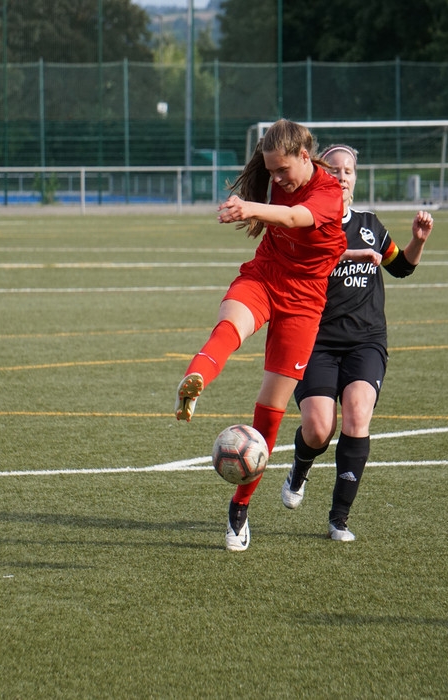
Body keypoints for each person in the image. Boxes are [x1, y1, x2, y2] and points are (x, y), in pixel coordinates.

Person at [173, 119, 378, 552]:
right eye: (271, 171)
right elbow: (289, 213)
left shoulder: (326, 191)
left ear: (305, 157)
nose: (277, 179)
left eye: (283, 171)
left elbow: (293, 217)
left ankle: (239, 508)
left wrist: (250, 209)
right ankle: (193, 384)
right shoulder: (277, 171)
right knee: (230, 328)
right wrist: (254, 194)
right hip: (265, 276)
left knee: (270, 412)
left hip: (304, 305)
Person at [281, 144, 434, 541]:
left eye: (349, 170)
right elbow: (301, 266)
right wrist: (346, 254)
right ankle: (300, 466)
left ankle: (338, 518)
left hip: (366, 340)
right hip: (316, 341)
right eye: (334, 168)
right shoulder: (306, 224)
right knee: (317, 429)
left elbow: (400, 267)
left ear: (355, 178)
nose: (343, 175)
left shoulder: (371, 225)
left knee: (357, 414)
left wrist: (417, 240)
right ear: (319, 175)